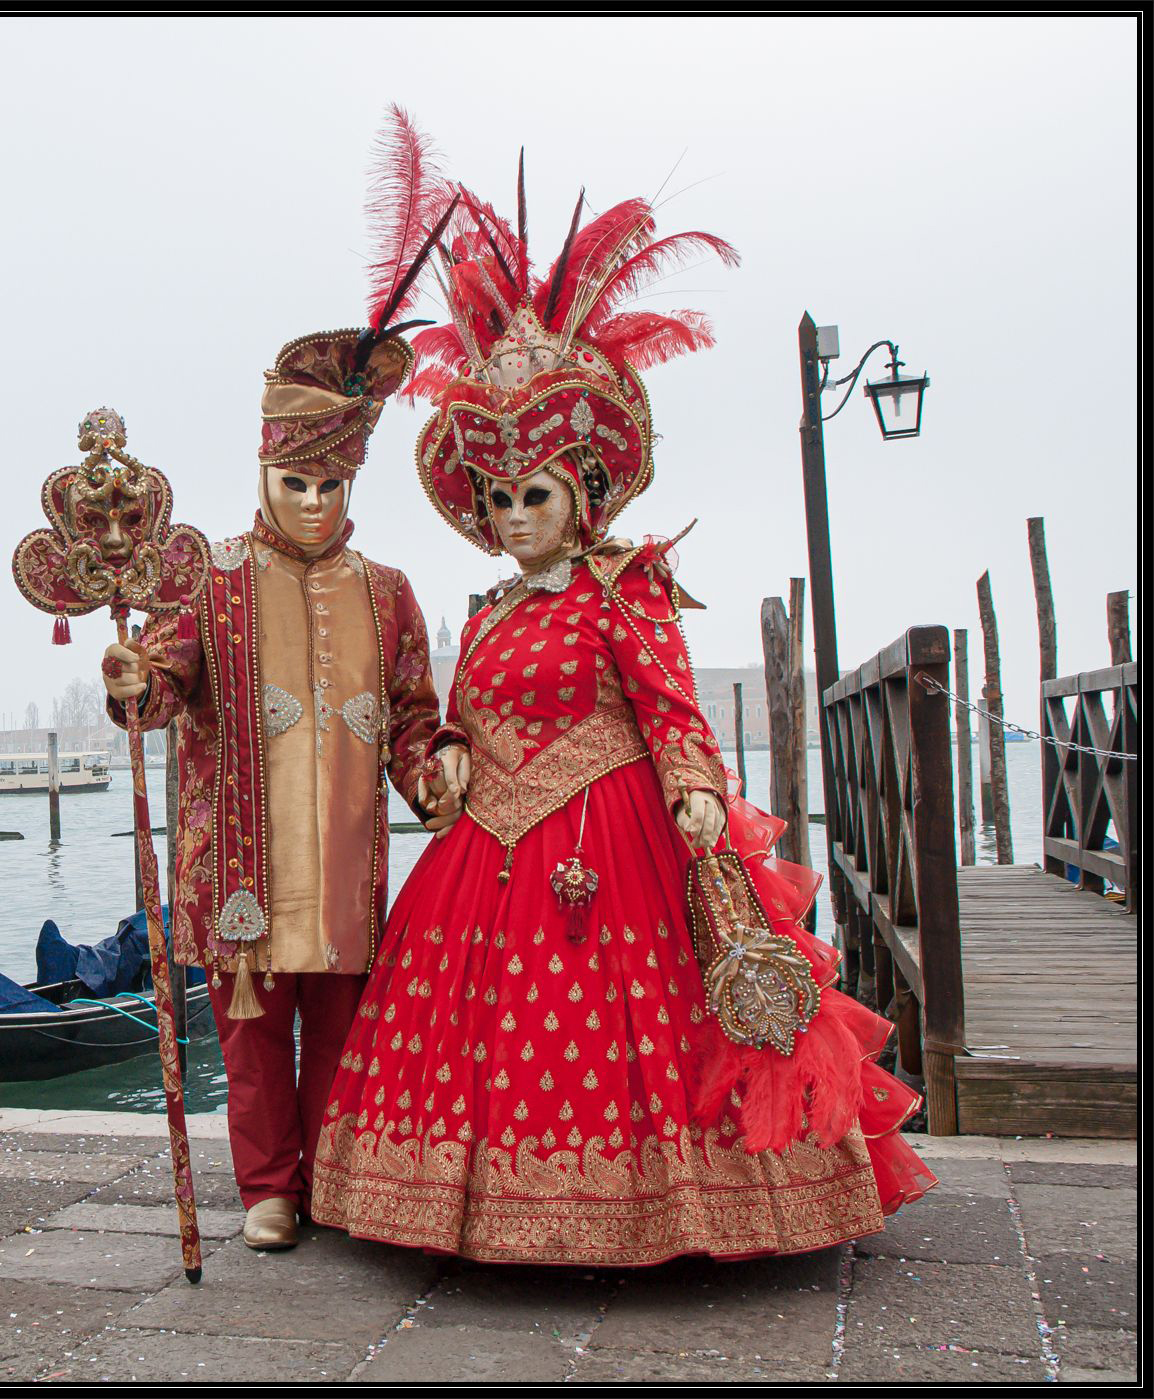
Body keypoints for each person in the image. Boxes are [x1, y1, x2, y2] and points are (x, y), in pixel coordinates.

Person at [309, 161, 937, 1264]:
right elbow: (461, 713)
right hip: (484, 852)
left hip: (612, 850)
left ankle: (677, 1211)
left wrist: (695, 790)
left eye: (533, 497)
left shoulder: (623, 588)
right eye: (498, 500)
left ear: (584, 492)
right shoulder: (493, 611)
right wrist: (447, 758)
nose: (512, 519)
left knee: (639, 1025)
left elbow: (672, 706)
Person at [102, 321, 458, 1252]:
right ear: (264, 470)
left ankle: (333, 1179)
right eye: (294, 482)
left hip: (345, 861)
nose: (310, 501)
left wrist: (435, 773)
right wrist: (136, 683)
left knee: (343, 1033)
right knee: (254, 1045)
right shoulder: (209, 579)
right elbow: (166, 681)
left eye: (329, 484)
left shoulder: (389, 592)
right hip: (242, 863)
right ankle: (268, 1185)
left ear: (352, 484)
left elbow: (414, 715)